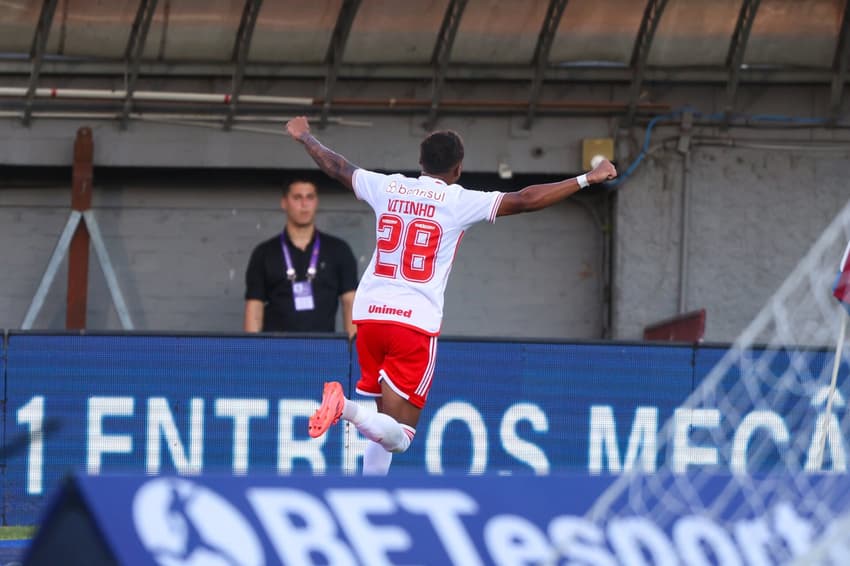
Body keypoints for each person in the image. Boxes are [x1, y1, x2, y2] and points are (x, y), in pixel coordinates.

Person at [285, 116, 617, 475]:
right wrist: (587, 178)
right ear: (458, 169)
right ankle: (345, 407)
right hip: (412, 324)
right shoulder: (457, 200)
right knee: (402, 436)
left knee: (381, 426)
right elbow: (525, 199)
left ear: (420, 163)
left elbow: (338, 167)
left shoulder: (388, 187)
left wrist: (306, 138)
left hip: (368, 317)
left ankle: (366, 493)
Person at [244, 179, 358, 338]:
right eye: (297, 197)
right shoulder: (264, 252)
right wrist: (252, 352)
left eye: (310, 197)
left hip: (324, 349)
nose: (304, 204)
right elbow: (254, 308)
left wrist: (351, 353)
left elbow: (350, 303)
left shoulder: (338, 250)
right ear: (284, 202)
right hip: (275, 350)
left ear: (316, 202)